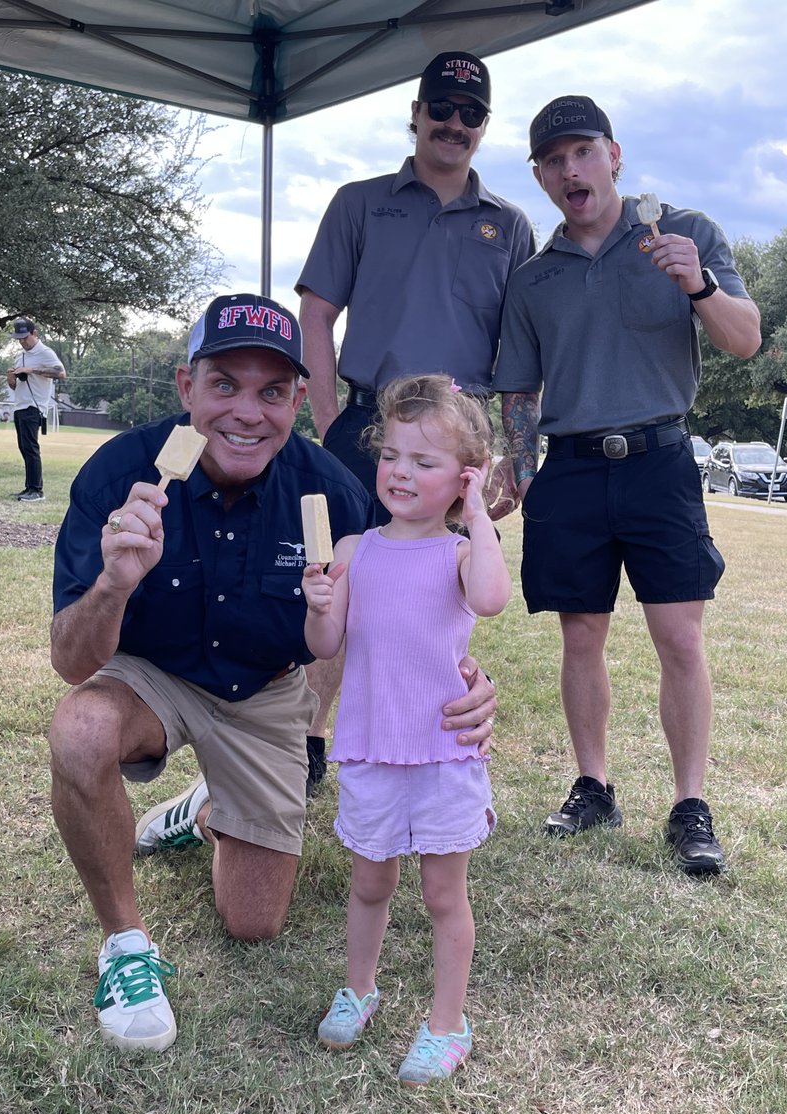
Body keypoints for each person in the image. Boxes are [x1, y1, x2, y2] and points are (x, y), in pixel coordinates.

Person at [48, 293, 497, 1053]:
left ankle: (206, 809)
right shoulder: (120, 474)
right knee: (82, 728)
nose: (247, 413)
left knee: (254, 921)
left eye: (273, 391)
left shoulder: (333, 492)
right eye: (225, 384)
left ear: (298, 401)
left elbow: (402, 601)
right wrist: (115, 583)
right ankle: (125, 945)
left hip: (264, 692)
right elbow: (71, 661)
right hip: (151, 679)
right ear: (187, 385)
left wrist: (467, 678)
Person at [494, 96, 762, 874]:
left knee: (680, 637)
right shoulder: (534, 277)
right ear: (541, 177)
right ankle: (594, 786)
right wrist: (522, 469)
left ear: (614, 156)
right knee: (581, 634)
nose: (570, 170)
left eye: (583, 152)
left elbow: (745, 341)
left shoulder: (684, 233)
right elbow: (519, 389)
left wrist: (698, 284)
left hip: (659, 459)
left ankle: (690, 806)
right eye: (554, 161)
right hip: (572, 468)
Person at [294, 49, 532, 787]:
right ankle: (308, 740)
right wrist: (330, 424)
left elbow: (521, 353)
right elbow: (316, 315)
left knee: (435, 594)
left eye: (471, 114)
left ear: (484, 125)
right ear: (417, 113)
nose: (455, 124)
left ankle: (421, 742)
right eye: (443, 109)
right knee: (342, 580)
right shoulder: (360, 203)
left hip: (455, 441)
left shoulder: (510, 226)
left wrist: (518, 457)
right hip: (366, 427)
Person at [302, 375, 511, 1085]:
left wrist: (478, 515)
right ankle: (359, 989)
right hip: (371, 749)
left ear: (463, 476)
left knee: (444, 896)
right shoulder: (356, 549)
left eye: (425, 462)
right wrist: (319, 602)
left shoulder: (459, 554)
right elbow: (326, 643)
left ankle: (448, 1024)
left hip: (443, 753)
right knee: (369, 884)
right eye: (391, 455)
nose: (401, 472)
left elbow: (492, 598)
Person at [5, 318, 66, 501]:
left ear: (34, 333)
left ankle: (37, 490)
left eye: (25, 337)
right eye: (19, 339)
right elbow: (15, 386)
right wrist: (11, 378)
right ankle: (29, 487)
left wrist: (32, 370)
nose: (22, 342)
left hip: (34, 406)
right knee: (24, 448)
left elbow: (61, 373)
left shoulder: (45, 352)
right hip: (20, 405)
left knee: (31, 448)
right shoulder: (19, 356)